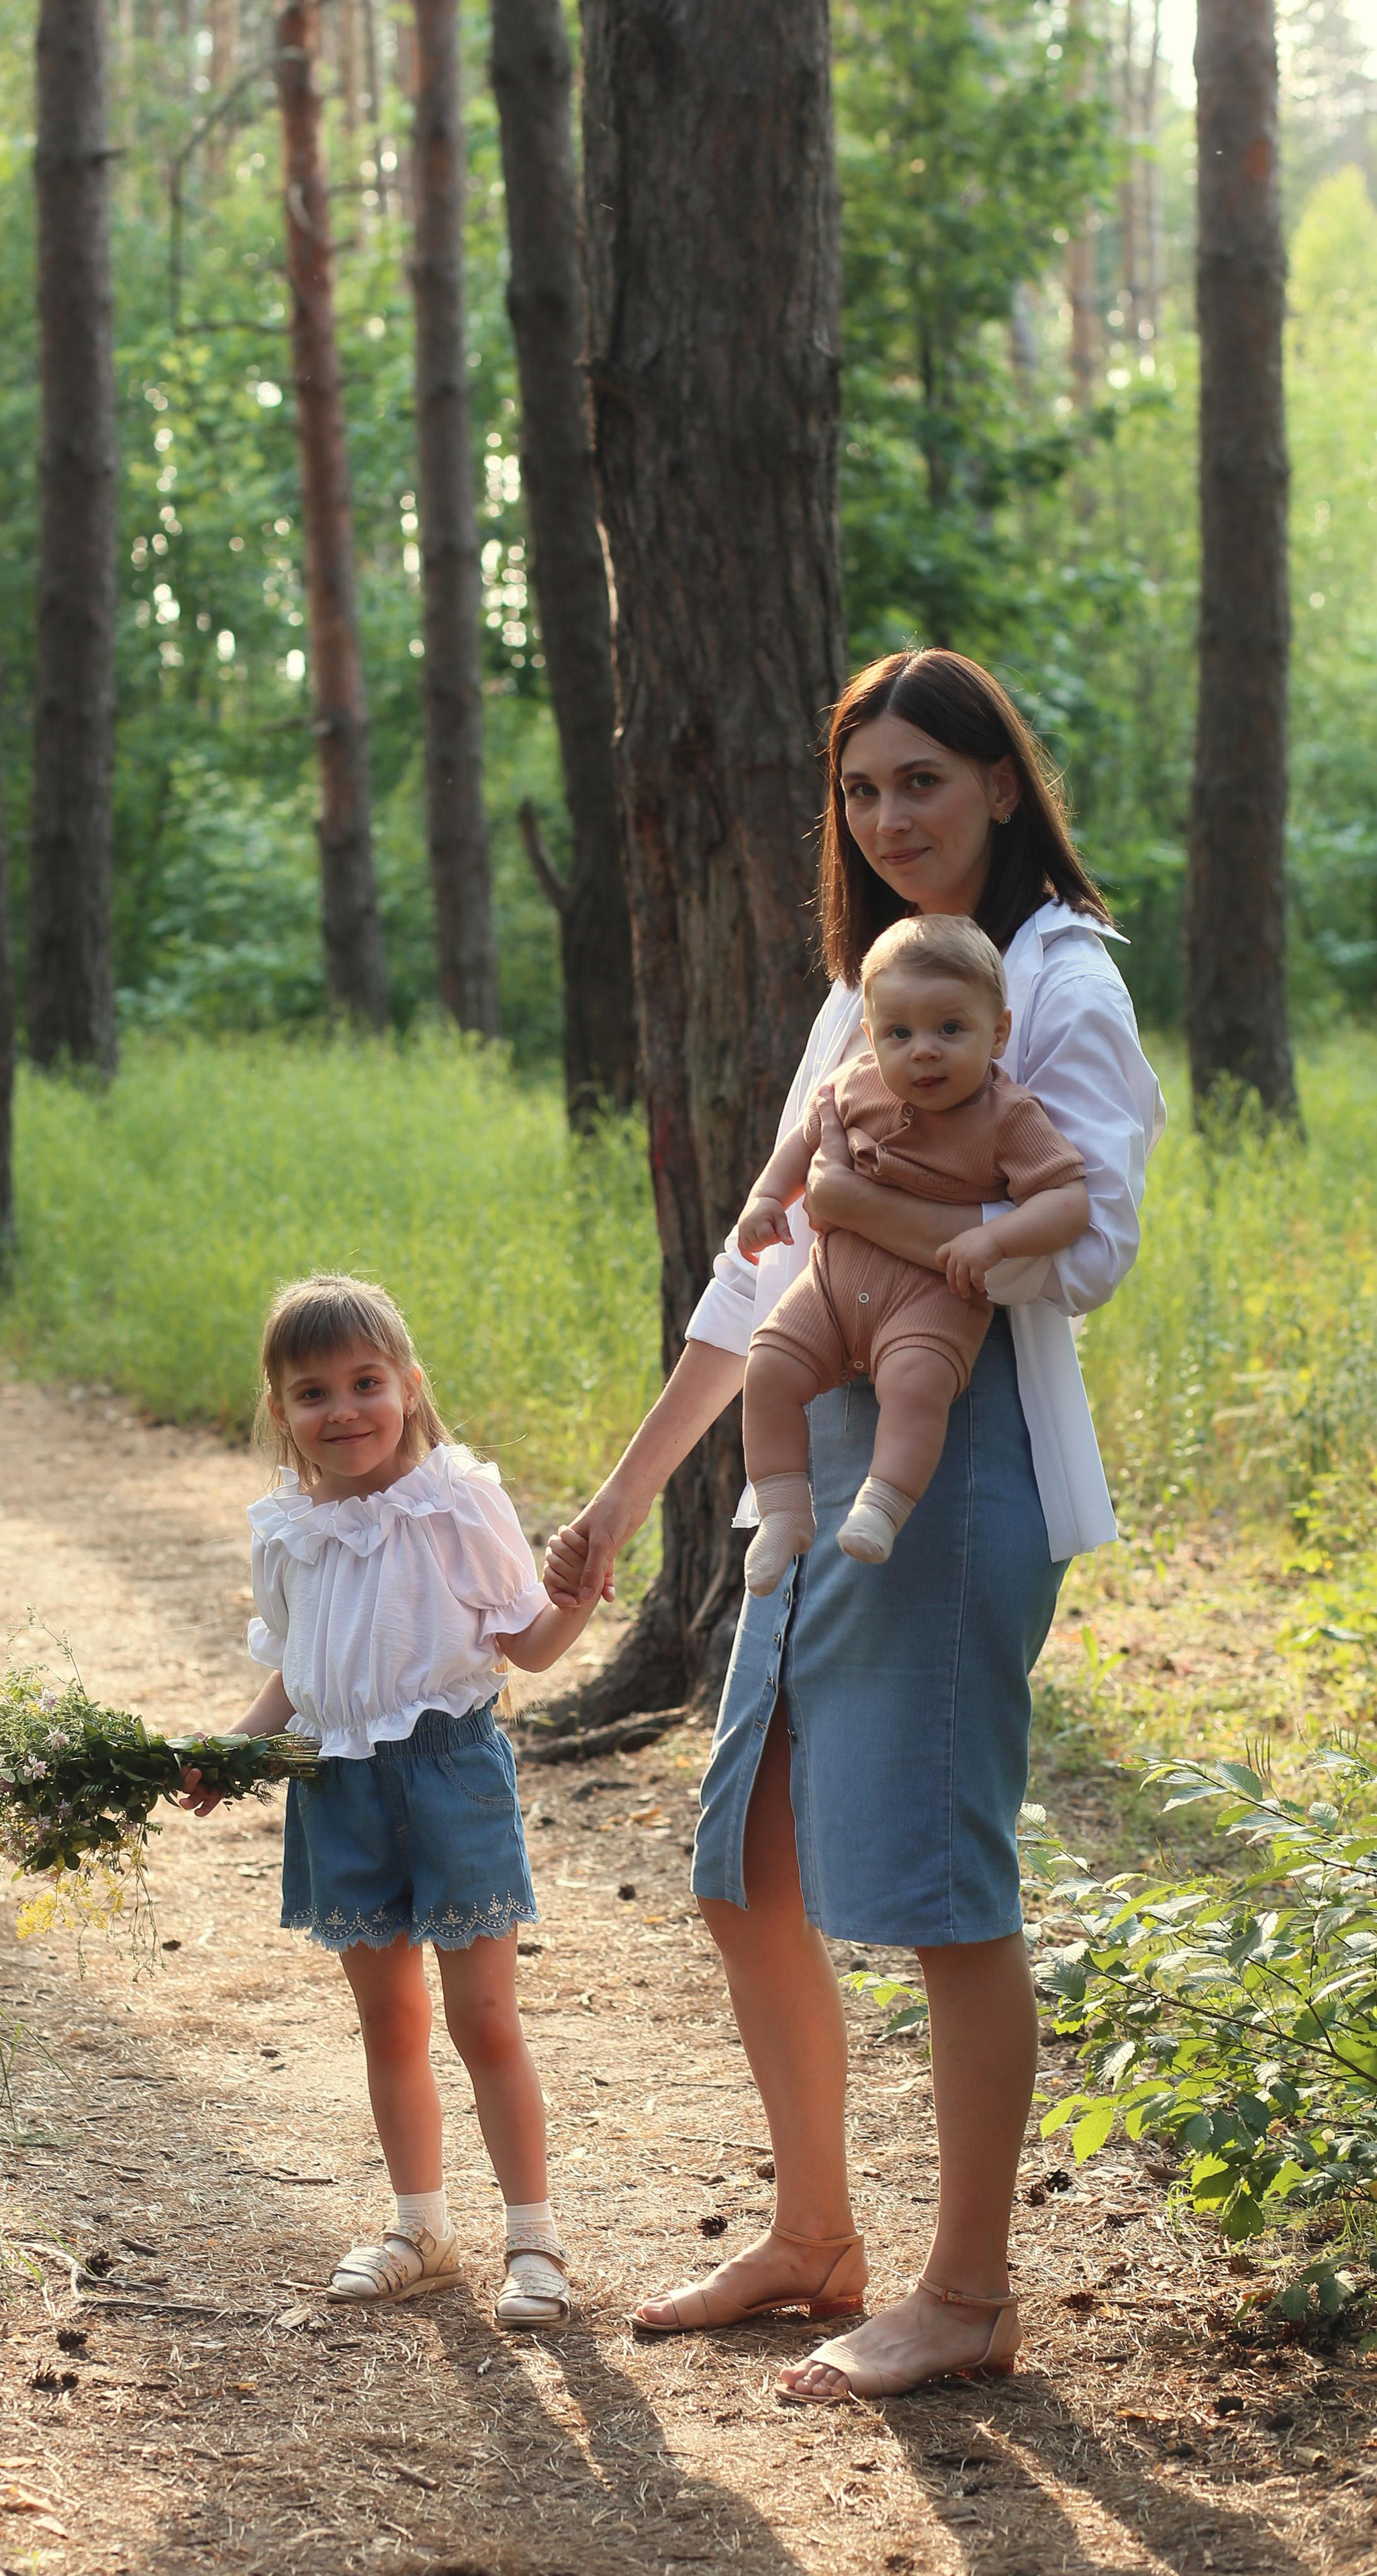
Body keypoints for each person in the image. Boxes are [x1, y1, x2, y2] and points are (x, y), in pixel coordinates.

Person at [544, 648, 1164, 2401]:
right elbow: (765, 1271)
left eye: (925, 782)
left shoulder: (1053, 983)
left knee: (944, 1880)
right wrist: (618, 1497)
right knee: (749, 1860)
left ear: (1001, 788)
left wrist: (889, 1195)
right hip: (802, 1461)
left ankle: (965, 2292)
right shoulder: (862, 995)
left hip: (955, 1465)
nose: (892, 817)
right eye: (863, 788)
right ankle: (815, 2234)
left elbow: (1092, 1239)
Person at [181, 1273, 600, 2328]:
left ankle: (535, 2241)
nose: (344, 1409)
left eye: (366, 1381)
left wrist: (580, 1595)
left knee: (484, 2018)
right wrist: (228, 1753)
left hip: (449, 1774)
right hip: (335, 1784)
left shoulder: (456, 1500)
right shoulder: (285, 1530)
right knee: (388, 2019)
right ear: (282, 1413)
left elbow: (530, 1645)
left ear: (410, 1385)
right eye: (313, 1392)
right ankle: (421, 2227)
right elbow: (294, 1669)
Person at [739, 913, 1090, 1589]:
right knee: (769, 1369)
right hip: (831, 1290)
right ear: (871, 1036)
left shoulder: (1008, 1116)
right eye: (899, 1033)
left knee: (916, 1386)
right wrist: (763, 1200)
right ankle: (783, 1508)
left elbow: (1067, 1200)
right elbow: (800, 1145)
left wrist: (994, 1235)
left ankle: (883, 1504)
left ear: (998, 1032)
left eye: (949, 1029)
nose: (923, 1051)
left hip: (930, 1300)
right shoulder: (853, 1083)